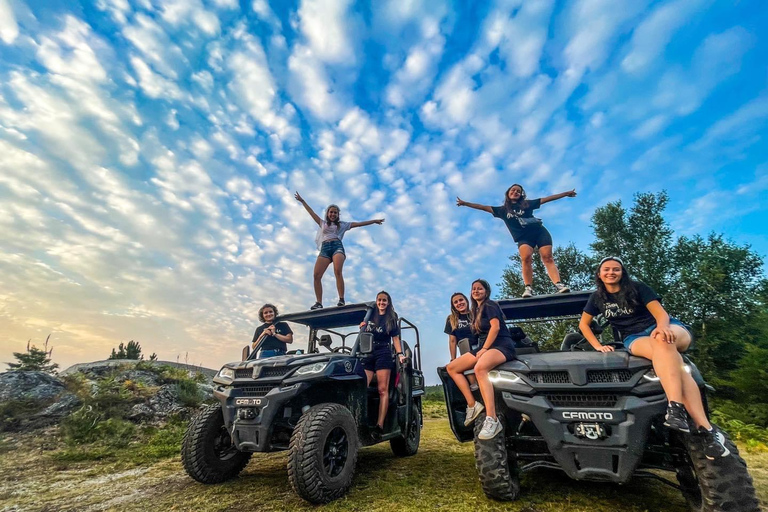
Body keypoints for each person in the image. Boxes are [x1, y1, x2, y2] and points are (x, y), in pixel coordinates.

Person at [579, 257, 730, 459]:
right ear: (599, 274)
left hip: (665, 328)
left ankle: (675, 408)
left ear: (622, 272)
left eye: (616, 269)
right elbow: (583, 325)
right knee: (674, 364)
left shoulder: (638, 288)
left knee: (663, 342)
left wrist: (662, 328)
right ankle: (706, 431)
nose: (611, 272)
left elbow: (661, 314)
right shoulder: (597, 298)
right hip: (635, 338)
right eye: (606, 269)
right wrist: (597, 346)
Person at [457, 184, 576, 298]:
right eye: (513, 190)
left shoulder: (527, 204)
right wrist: (465, 203)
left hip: (539, 232)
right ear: (508, 193)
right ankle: (528, 287)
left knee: (547, 257)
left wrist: (565, 193)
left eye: (518, 191)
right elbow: (482, 207)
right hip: (524, 238)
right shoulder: (502, 210)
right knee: (526, 258)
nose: (515, 192)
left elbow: (547, 199)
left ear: (521, 194)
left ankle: (559, 284)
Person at [295, 192, 384, 309]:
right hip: (325, 249)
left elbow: (358, 224)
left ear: (338, 215)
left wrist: (373, 221)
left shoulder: (342, 225)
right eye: (331, 212)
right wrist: (302, 201)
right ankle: (319, 302)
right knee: (316, 275)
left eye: (335, 212)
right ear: (327, 213)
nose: (333, 214)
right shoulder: (322, 223)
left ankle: (341, 299)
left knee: (337, 271)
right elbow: (311, 212)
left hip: (337, 246)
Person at [468, 279, 517, 440]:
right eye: (474, 289)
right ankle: (473, 405)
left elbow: (495, 327)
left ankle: (492, 418)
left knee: (480, 369)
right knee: (452, 367)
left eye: (480, 289)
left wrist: (484, 349)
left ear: (486, 291)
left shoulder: (490, 305)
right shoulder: (477, 311)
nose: (476, 291)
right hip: (488, 347)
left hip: (501, 345)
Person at [361, 291, 406, 439]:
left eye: (384, 300)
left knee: (382, 389)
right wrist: (362, 326)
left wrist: (400, 354)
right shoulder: (370, 314)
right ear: (376, 301)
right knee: (362, 387)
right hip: (368, 351)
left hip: (383, 352)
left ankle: (379, 425)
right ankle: (361, 421)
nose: (381, 302)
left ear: (388, 302)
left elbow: (395, 339)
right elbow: (364, 331)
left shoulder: (391, 318)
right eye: (379, 300)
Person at [444, 293, 483, 426]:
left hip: (479, 347)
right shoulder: (452, 319)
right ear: (453, 305)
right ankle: (475, 404)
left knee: (480, 373)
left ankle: (480, 404)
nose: (459, 303)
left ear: (466, 300)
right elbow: (452, 340)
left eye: (461, 300)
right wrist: (453, 359)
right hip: (465, 349)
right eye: (456, 302)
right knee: (470, 377)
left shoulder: (475, 313)